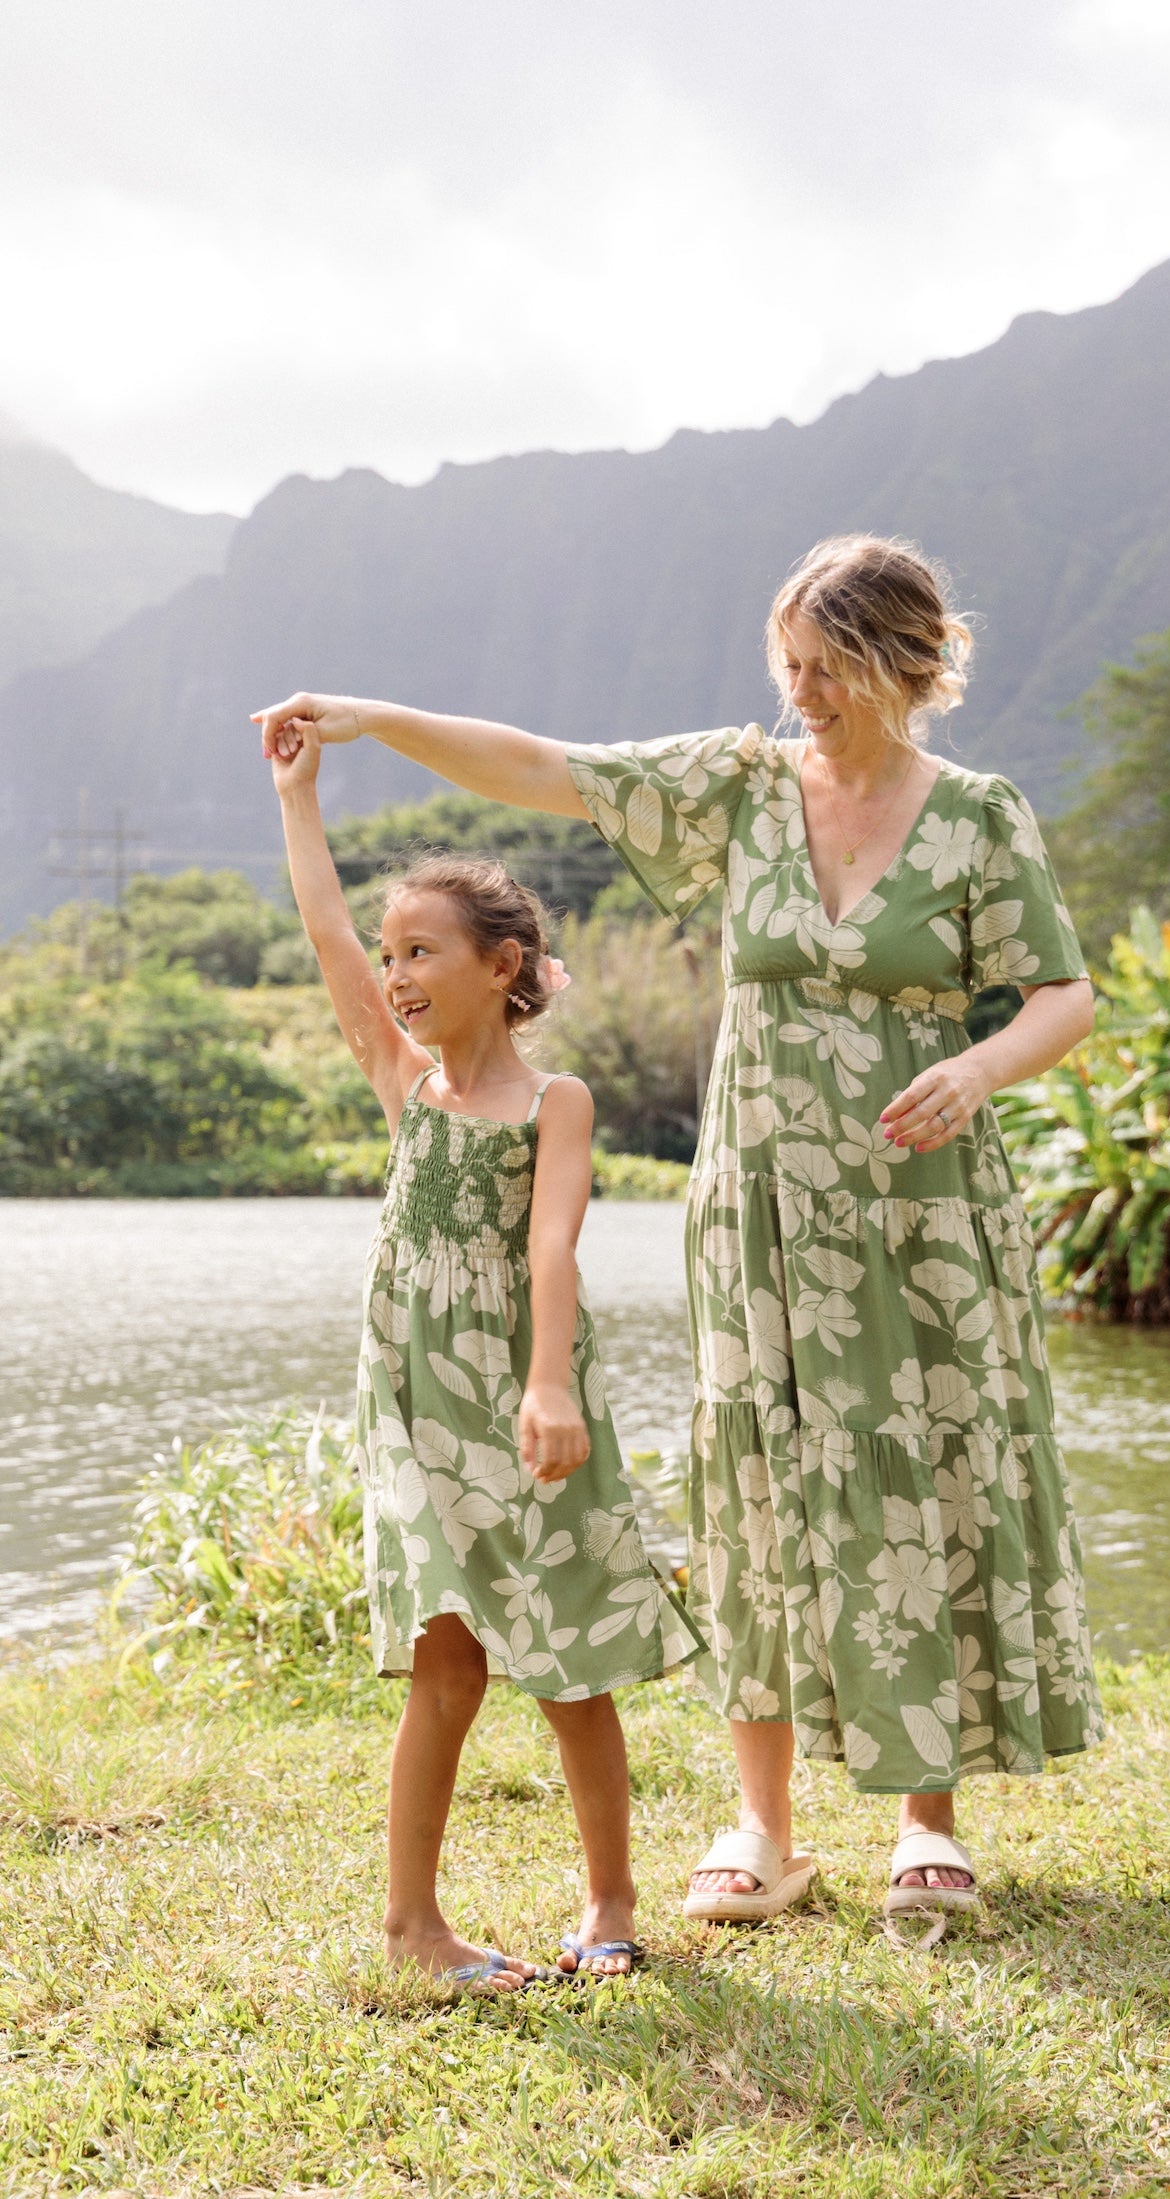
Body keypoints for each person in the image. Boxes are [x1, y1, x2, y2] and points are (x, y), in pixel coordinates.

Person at [255, 531, 1102, 1942]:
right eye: (789, 668)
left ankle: (922, 1820)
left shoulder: (978, 817)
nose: (803, 696)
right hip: (758, 1206)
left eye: (829, 670)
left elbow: (1061, 995)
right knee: (754, 1481)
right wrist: (374, 720)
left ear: (908, 665)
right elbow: (547, 766)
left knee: (923, 1474)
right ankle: (759, 1825)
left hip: (922, 1213)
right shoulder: (744, 787)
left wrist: (976, 1067)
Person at [265, 717, 702, 1988]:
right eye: (394, 954)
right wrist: (302, 801)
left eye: (425, 953)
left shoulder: (552, 1103)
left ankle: (611, 1906)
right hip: (412, 1407)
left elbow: (555, 1248)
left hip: (526, 1397)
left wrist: (551, 1385)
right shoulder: (405, 1086)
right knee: (446, 1657)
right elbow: (326, 938)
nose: (396, 974)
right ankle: (412, 1927)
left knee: (571, 1663)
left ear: (503, 966)